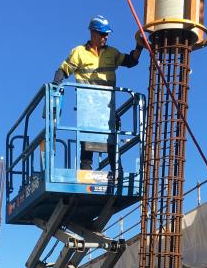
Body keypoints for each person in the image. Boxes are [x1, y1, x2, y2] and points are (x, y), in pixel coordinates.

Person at [53, 15, 144, 168]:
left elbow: (131, 62)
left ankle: (117, 174)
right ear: (93, 33)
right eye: (103, 34)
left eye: (107, 34)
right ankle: (86, 171)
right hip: (88, 104)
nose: (105, 37)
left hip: (107, 105)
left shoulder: (112, 53)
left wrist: (139, 47)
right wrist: (55, 86)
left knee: (111, 139)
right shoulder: (79, 52)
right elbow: (63, 70)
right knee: (88, 139)